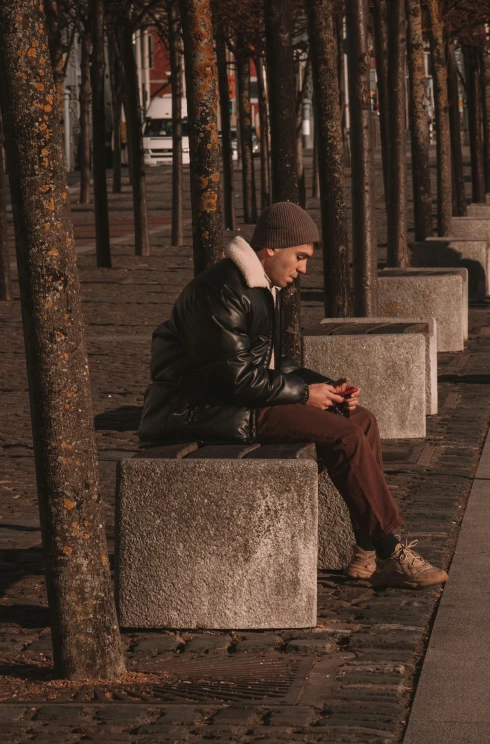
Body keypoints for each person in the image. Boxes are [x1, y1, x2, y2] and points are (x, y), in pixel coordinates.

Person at [139, 202, 448, 590]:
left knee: (360, 419)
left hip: (242, 400)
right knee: (345, 435)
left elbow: (273, 362)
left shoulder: (258, 285)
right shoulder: (220, 291)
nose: (303, 269)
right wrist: (304, 394)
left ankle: (366, 550)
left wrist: (328, 387)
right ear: (270, 248)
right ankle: (390, 549)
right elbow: (232, 379)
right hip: (205, 410)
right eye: (299, 257)